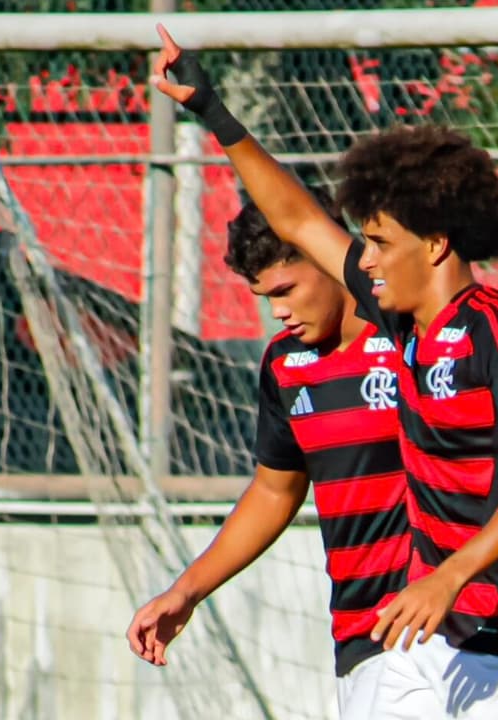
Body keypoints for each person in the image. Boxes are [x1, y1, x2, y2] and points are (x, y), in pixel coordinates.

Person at [148, 24, 498, 719]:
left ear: (436, 244)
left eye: (380, 241)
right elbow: (296, 219)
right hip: (426, 635)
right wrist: (213, 111)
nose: (366, 259)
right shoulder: (403, 325)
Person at [125, 198, 409, 719]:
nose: (277, 311)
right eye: (265, 297)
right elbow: (275, 490)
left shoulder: (410, 337)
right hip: (359, 632)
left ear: (327, 258)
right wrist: (187, 591)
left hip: (442, 624)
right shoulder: (284, 364)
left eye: (285, 290)